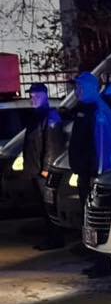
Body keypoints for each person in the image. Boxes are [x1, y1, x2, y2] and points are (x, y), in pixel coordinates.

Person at [23, 83, 66, 250]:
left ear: (44, 96)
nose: (32, 99)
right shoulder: (37, 116)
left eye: (35, 96)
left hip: (43, 172)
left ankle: (55, 238)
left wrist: (47, 169)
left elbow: (52, 144)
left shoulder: (50, 116)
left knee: (49, 205)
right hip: (36, 169)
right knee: (43, 206)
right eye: (31, 96)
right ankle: (51, 237)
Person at [69, 72, 111, 214]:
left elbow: (102, 145)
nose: (76, 91)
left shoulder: (98, 111)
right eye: (76, 88)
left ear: (89, 88)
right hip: (85, 171)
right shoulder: (85, 108)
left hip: (92, 174)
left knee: (94, 211)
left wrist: (96, 173)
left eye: (79, 87)